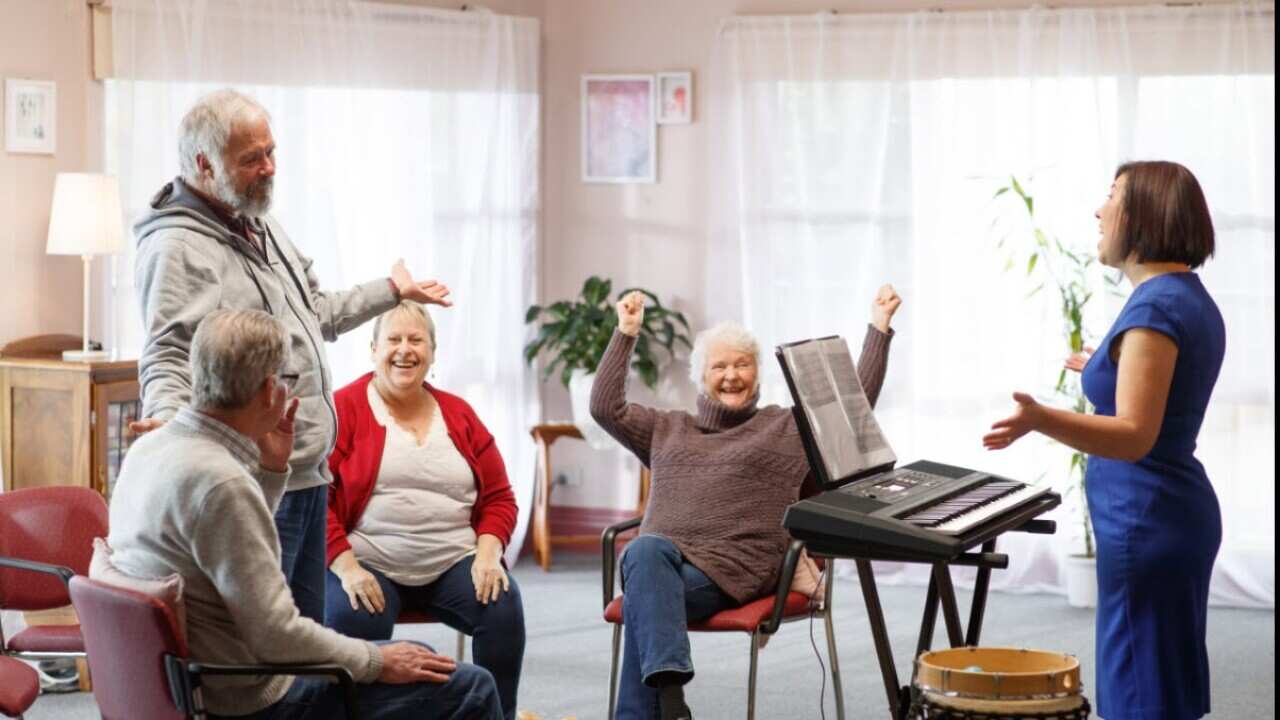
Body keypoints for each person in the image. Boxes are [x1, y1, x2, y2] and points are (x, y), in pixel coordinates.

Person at [131, 89, 452, 623]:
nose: (269, 168)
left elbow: (314, 313)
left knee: (306, 639)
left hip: (307, 472)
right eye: (251, 158)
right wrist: (169, 424)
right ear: (205, 164)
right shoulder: (176, 248)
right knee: (265, 640)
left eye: (271, 152)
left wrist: (390, 292)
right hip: (255, 480)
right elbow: (169, 351)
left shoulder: (258, 222)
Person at [105, 309, 502, 719]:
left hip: (183, 684)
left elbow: (225, 542)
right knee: (470, 686)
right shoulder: (222, 483)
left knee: (421, 658)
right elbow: (278, 636)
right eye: (287, 379)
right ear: (269, 390)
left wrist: (271, 473)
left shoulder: (150, 449)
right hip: (251, 699)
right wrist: (377, 661)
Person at [590, 286, 901, 720]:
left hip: (731, 573)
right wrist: (625, 332)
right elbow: (605, 408)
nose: (731, 375)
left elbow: (851, 408)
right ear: (701, 376)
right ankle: (670, 697)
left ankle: (664, 701)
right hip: (661, 566)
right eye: (719, 366)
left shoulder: (785, 428)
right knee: (646, 553)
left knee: (646, 593)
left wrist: (879, 328)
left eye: (742, 364)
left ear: (757, 373)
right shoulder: (667, 428)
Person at [984, 161, 1224, 720]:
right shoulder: (1182, 296)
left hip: (1147, 519)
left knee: (1140, 694)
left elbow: (1135, 435)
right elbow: (1162, 395)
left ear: (1143, 215)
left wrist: (1040, 418)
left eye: (1111, 196)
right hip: (1163, 516)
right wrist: (1107, 367)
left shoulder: (1156, 307)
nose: (1099, 211)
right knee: (1158, 687)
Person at [324, 301, 525, 719]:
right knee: (355, 619)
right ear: (373, 349)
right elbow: (315, 502)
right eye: (393, 339)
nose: (405, 349)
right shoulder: (343, 409)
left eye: (416, 340)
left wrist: (488, 556)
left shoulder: (459, 413)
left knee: (503, 606)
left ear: (432, 352)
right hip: (369, 561)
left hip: (453, 560)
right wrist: (347, 567)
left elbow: (499, 497)